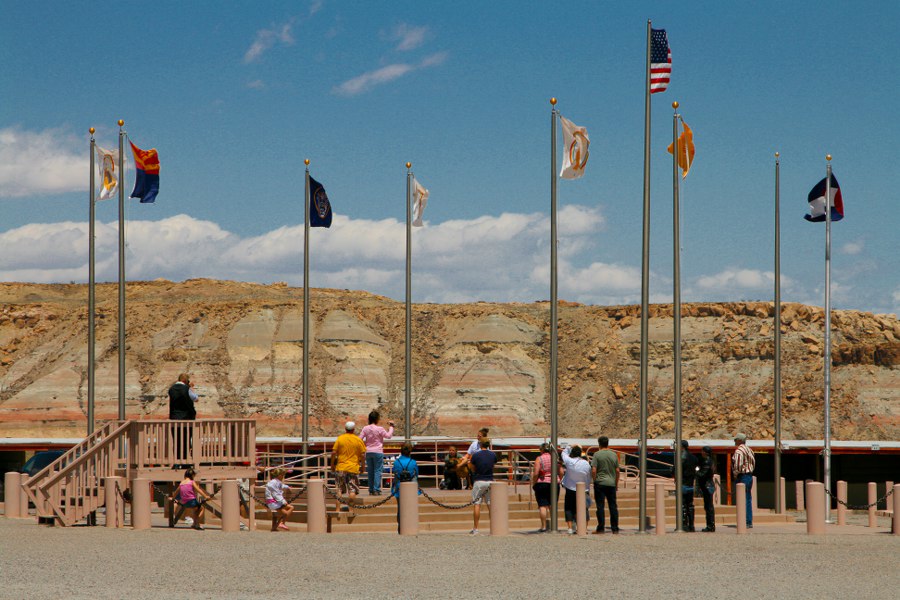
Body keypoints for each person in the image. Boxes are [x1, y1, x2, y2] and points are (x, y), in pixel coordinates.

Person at [331, 421, 366, 509]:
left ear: (345, 429)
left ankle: (337, 509)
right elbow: (362, 455)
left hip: (341, 467)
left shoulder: (340, 439)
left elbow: (334, 452)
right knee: (352, 490)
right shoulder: (358, 440)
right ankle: (351, 509)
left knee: (339, 489)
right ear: (353, 429)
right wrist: (362, 467)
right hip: (353, 468)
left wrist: (332, 465)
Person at [359, 410, 394, 495]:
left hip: (368, 451)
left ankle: (371, 489)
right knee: (377, 471)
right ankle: (376, 489)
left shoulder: (365, 428)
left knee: (370, 471)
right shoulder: (380, 429)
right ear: (377, 419)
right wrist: (391, 427)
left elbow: (359, 438)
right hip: (378, 451)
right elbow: (388, 436)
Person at [590, 436, 620, 534]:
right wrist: (616, 483)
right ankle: (615, 528)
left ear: (599, 443)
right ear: (608, 443)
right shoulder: (614, 455)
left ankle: (601, 528)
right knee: (613, 506)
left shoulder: (597, 455)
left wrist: (595, 480)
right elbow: (617, 470)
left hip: (600, 483)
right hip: (611, 483)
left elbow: (594, 470)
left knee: (600, 507)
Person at [560, 444, 592, 534]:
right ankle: (584, 528)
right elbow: (588, 475)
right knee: (584, 509)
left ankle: (570, 528)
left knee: (569, 508)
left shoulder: (569, 461)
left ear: (572, 454)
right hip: (583, 489)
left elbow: (563, 453)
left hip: (570, 488)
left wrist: (570, 446)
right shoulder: (586, 463)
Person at [469, 438, 497, 535]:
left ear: (480, 445)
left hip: (479, 480)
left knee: (477, 504)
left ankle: (475, 528)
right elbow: (493, 465)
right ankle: (494, 527)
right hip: (490, 480)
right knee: (490, 505)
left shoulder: (476, 455)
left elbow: (471, 467)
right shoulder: (493, 455)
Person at [391, 442, 419, 533]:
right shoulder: (413, 462)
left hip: (399, 487)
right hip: (411, 488)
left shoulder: (396, 462)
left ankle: (400, 526)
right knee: (411, 508)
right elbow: (416, 474)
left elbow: (394, 473)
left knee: (400, 508)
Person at [672, 440, 698, 532]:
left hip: (682, 483)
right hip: (691, 484)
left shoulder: (680, 457)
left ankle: (683, 524)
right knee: (690, 505)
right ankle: (691, 525)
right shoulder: (694, 458)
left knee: (682, 505)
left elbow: (676, 469)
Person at [732, 433, 756, 529]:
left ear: (739, 440)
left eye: (736, 440)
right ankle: (749, 521)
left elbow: (738, 465)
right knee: (748, 498)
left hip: (742, 476)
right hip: (749, 475)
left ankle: (745, 521)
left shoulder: (739, 451)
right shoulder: (749, 450)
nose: (734, 442)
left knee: (743, 499)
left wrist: (735, 474)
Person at [531, 443, 555, 532]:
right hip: (554, 482)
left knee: (542, 505)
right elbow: (561, 471)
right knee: (552, 504)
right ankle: (554, 525)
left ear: (542, 450)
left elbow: (536, 472)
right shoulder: (554, 458)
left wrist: (534, 482)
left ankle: (544, 526)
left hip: (542, 482)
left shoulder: (539, 458)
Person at [697, 445, 717, 532]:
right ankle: (710, 525)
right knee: (709, 506)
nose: (701, 452)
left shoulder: (707, 461)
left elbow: (703, 474)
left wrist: (696, 472)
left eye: (702, 451)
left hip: (707, 485)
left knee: (708, 507)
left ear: (705, 452)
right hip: (709, 485)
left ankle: (710, 525)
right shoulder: (711, 461)